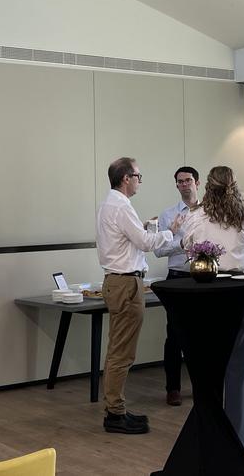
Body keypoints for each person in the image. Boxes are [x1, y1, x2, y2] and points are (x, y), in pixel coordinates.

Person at [96, 157, 178, 434]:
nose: (140, 181)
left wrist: (145, 228)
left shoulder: (110, 204)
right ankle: (115, 414)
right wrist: (171, 231)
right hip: (126, 284)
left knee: (117, 350)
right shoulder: (121, 206)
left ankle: (115, 408)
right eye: (138, 177)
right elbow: (145, 243)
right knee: (122, 353)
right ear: (126, 178)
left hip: (118, 282)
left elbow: (131, 239)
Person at [180, 165, 244, 448]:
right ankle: (238, 437)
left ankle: (210, 434)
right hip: (240, 291)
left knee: (207, 369)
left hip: (207, 291)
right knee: (238, 369)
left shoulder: (197, 216)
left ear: (207, 187)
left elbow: (187, 246)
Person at [155, 166, 201, 406]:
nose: (184, 184)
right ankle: (172, 388)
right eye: (180, 182)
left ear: (197, 183)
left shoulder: (209, 211)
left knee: (201, 335)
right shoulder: (168, 215)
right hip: (177, 276)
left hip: (203, 276)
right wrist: (181, 244)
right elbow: (159, 250)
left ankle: (201, 385)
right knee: (174, 334)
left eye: (188, 180)